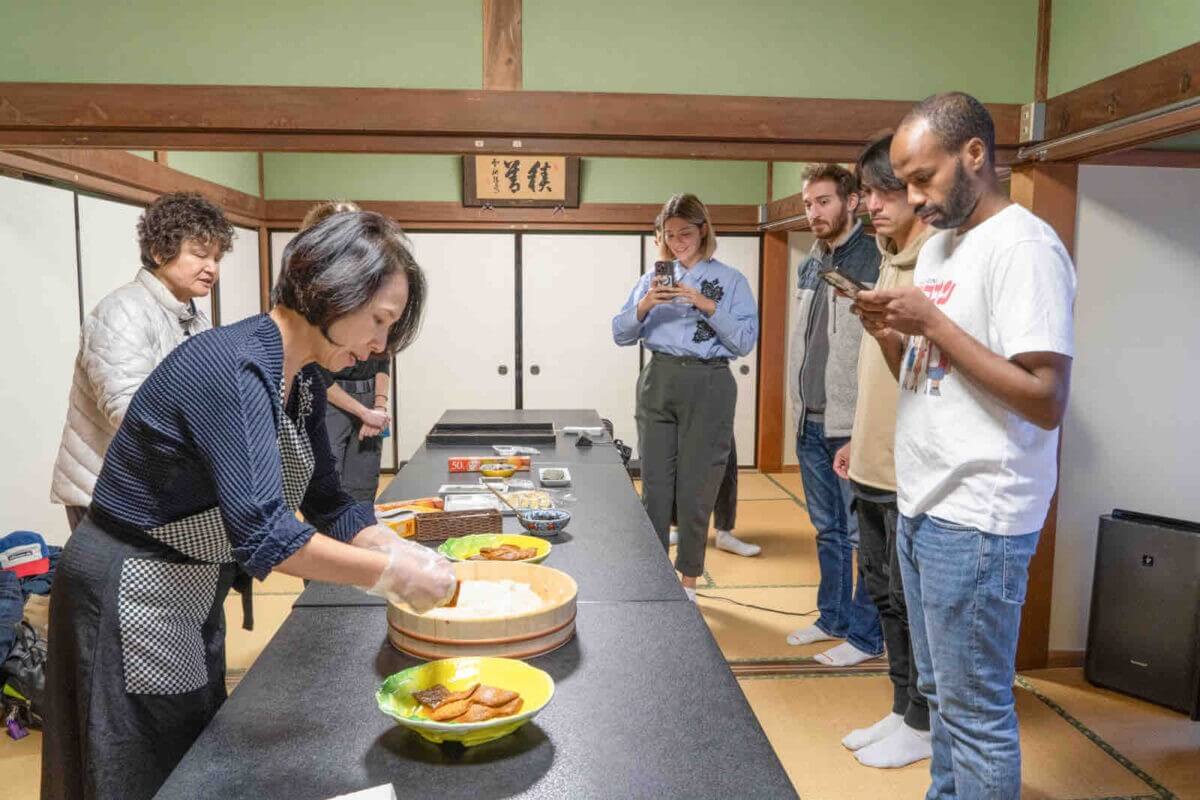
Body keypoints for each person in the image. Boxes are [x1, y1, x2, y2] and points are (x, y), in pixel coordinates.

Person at [41, 211, 457, 800]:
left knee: (191, 746)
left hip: (187, 585)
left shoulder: (304, 377)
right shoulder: (233, 366)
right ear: (330, 289)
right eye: (380, 321)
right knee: (142, 765)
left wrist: (390, 542)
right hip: (130, 587)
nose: (379, 345)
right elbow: (266, 535)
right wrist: (389, 575)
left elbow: (330, 502)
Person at [855, 92, 1075, 799]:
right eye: (904, 182)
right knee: (940, 695)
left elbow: (1045, 399)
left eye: (923, 178)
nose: (913, 199)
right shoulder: (946, 245)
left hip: (978, 512)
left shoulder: (1024, 246)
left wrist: (935, 325)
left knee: (975, 713)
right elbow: (926, 377)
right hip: (924, 501)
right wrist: (890, 333)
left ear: (974, 155)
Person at [832, 134, 934, 768]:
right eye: (865, 192)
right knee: (880, 594)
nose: (868, 204)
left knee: (907, 603)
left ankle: (922, 723)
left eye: (878, 191)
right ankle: (900, 710)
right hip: (870, 461)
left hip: (909, 472)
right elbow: (884, 372)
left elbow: (928, 379)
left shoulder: (937, 266)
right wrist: (855, 439)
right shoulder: (888, 260)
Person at [49, 192, 233, 533]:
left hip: (154, 487)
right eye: (200, 254)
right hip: (106, 488)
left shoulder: (192, 315)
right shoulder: (124, 312)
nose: (212, 268)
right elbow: (130, 412)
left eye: (217, 257)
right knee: (117, 588)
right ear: (161, 251)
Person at [612, 193, 759, 600]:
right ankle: (655, 579)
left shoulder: (730, 280)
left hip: (709, 382)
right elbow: (620, 333)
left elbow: (745, 340)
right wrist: (644, 306)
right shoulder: (651, 279)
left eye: (686, 233)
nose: (678, 242)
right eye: (670, 235)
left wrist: (705, 304)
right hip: (658, 378)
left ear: (703, 231)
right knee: (655, 484)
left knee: (697, 486)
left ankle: (690, 583)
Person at [784, 164, 884, 668]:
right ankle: (832, 617)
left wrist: (862, 425)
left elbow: (877, 351)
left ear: (852, 201)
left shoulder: (874, 257)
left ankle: (867, 637)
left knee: (861, 534)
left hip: (851, 424)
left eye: (823, 201)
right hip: (810, 419)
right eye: (807, 204)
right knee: (826, 529)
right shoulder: (812, 261)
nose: (813, 213)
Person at [300, 201, 393, 503]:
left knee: (365, 483)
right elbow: (314, 372)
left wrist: (378, 407)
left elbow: (383, 357)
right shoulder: (311, 297)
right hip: (331, 398)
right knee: (329, 485)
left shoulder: (373, 288)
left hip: (369, 401)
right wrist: (362, 411)